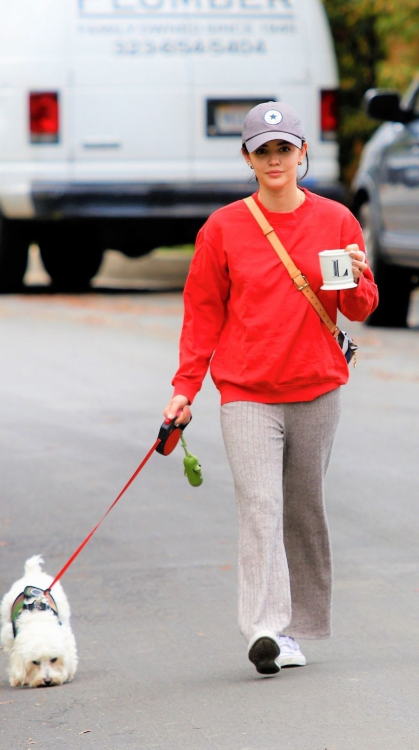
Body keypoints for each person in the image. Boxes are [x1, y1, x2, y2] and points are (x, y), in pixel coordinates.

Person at [163, 101, 378, 676]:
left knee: (303, 507)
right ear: (248, 159)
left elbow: (357, 307)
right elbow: (202, 313)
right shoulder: (224, 228)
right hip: (247, 392)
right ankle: (264, 628)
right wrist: (186, 388)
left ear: (303, 152)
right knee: (260, 505)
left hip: (317, 387)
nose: (276, 159)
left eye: (285, 149)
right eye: (264, 151)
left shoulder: (336, 221)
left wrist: (358, 278)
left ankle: (298, 627)